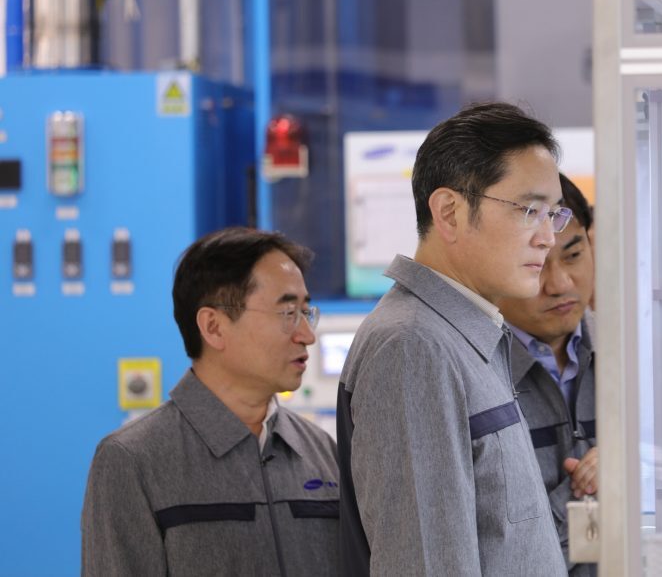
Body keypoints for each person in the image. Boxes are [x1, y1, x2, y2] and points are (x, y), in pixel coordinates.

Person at [337, 102, 569, 576]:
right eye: (530, 210)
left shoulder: (465, 336)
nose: (548, 237)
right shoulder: (413, 347)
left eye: (554, 213)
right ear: (449, 211)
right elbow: (425, 563)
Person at [82, 227, 340, 576]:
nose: (307, 335)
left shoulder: (322, 452)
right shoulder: (133, 461)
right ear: (214, 327)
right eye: (287, 313)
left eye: (306, 312)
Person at [498, 173, 598, 576]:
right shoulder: (476, 374)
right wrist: (585, 497)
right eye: (537, 264)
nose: (559, 284)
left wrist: (639, 468)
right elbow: (493, 554)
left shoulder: (635, 356)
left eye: (573, 255)